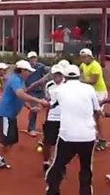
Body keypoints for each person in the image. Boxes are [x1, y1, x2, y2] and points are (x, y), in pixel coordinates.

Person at [0, 60, 49, 174]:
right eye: (28, 71)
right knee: (5, 140)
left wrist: (30, 108)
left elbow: (20, 98)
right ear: (22, 70)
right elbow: (20, 94)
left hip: (11, 115)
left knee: (12, 140)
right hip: (4, 114)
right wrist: (38, 101)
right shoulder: (15, 80)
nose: (29, 73)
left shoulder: (20, 81)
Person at [45, 65, 102, 195]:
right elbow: (97, 110)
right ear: (79, 76)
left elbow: (50, 105)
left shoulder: (59, 90)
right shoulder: (89, 89)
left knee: (58, 165)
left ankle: (52, 190)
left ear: (65, 76)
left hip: (67, 136)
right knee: (86, 167)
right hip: (88, 135)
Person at [79, 48, 108, 151]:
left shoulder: (95, 66)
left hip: (100, 93)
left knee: (97, 116)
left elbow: (93, 81)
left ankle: (102, 140)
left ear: (90, 57)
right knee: (88, 114)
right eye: (82, 57)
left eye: (85, 57)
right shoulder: (83, 65)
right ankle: (92, 137)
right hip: (90, 93)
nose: (83, 59)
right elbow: (80, 73)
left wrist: (80, 81)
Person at [41, 64, 65, 174]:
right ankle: (46, 162)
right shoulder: (49, 85)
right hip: (51, 118)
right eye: (55, 74)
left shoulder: (68, 85)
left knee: (62, 143)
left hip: (65, 118)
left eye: (59, 74)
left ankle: (60, 164)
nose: (57, 77)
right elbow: (47, 99)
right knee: (47, 142)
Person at [25, 51, 50, 137]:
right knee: (34, 109)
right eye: (31, 58)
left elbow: (50, 72)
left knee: (48, 107)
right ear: (28, 59)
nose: (33, 60)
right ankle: (31, 128)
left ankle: (48, 127)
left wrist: (44, 80)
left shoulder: (41, 66)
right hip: (31, 91)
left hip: (41, 91)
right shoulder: (26, 68)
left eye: (34, 57)